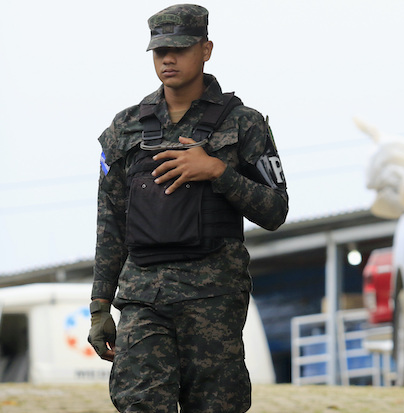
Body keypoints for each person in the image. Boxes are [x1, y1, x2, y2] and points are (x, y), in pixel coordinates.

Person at [87, 4, 289, 412]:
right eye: (159, 51)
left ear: (206, 49)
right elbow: (110, 224)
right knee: (139, 403)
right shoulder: (124, 129)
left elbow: (275, 210)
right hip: (144, 300)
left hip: (212, 300)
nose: (168, 58)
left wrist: (217, 171)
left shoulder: (244, 124)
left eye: (179, 48)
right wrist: (99, 307)